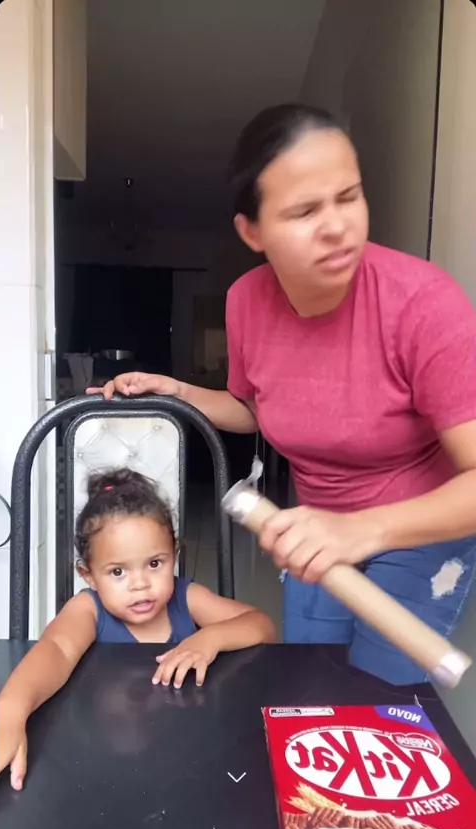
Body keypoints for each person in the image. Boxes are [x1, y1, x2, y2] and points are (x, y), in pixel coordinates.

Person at [87, 104, 476, 687]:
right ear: (253, 231)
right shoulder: (246, 301)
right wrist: (179, 390)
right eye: (304, 211)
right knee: (309, 683)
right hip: (315, 527)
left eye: (349, 197)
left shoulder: (422, 304)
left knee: (381, 702)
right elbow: (253, 410)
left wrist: (364, 529)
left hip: (421, 532)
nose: (337, 226)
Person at [0, 468, 275, 790]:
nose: (140, 584)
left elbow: (263, 626)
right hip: (106, 774)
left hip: (183, 759)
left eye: (155, 563)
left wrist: (210, 637)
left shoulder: (185, 598)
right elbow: (56, 649)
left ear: (174, 556)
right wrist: (10, 710)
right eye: (117, 572)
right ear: (88, 575)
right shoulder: (88, 609)